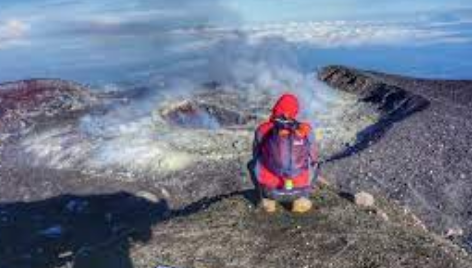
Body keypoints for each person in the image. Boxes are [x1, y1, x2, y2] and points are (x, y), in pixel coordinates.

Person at [252, 93, 318, 213]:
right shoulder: (305, 130)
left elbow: (255, 154)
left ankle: (267, 201)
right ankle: (302, 200)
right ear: (295, 111)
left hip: (270, 189)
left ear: (276, 108)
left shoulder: (263, 129)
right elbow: (314, 157)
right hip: (300, 189)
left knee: (252, 163)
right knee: (315, 165)